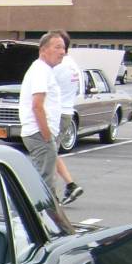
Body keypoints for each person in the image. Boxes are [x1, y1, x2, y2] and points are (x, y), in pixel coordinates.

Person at [18, 32, 67, 200]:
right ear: (43, 50)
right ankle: (44, 212)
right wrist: (46, 135)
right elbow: (37, 105)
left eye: (63, 48)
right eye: (57, 47)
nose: (62, 52)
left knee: (45, 177)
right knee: (45, 181)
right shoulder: (40, 71)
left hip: (40, 133)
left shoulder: (44, 70)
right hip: (39, 133)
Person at [51, 30, 84, 204]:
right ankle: (70, 184)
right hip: (68, 111)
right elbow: (78, 90)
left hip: (56, 113)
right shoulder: (73, 65)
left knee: (47, 155)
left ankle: (51, 196)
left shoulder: (57, 66)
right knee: (52, 152)